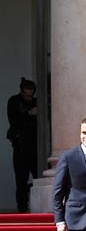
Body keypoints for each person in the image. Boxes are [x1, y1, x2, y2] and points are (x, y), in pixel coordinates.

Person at [7, 77, 38, 213]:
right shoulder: (14, 101)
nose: (29, 98)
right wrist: (29, 113)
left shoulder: (38, 102)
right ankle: (22, 207)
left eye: (31, 95)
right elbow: (14, 120)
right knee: (21, 178)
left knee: (39, 177)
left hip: (37, 146)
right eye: (26, 95)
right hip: (20, 146)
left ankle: (35, 202)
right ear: (21, 92)